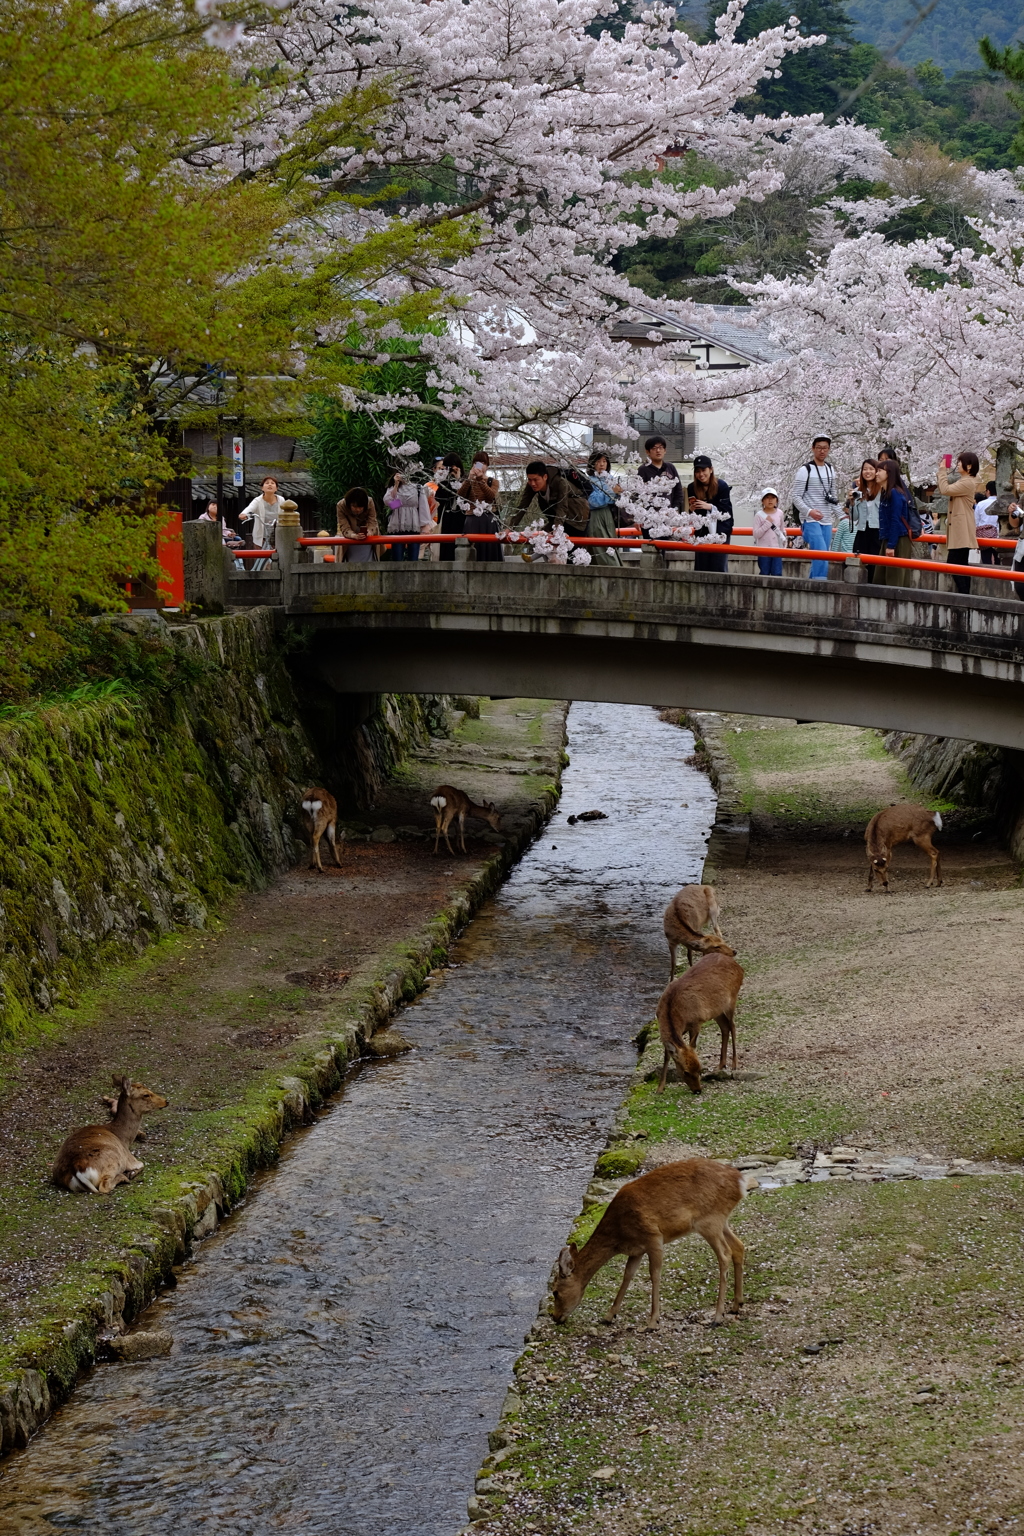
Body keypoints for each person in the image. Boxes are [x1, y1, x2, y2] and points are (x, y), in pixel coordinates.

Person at [791, 435, 838, 580]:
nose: (822, 451)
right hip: (810, 519)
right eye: (819, 448)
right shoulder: (805, 470)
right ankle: (820, 584)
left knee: (822, 555)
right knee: (821, 552)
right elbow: (796, 496)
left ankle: (812, 584)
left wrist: (842, 514)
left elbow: (834, 496)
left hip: (827, 519)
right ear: (813, 449)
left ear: (829, 449)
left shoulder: (831, 469)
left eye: (825, 448)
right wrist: (809, 511)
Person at [937, 452, 981, 595]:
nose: (956, 464)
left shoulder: (967, 482)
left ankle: (965, 595)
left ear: (968, 466)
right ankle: (965, 595)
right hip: (961, 528)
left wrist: (942, 471)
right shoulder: (966, 480)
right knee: (960, 565)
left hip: (962, 529)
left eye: (959, 462)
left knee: (955, 564)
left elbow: (945, 490)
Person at [513, 461, 590, 534]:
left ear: (545, 477)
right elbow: (522, 506)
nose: (533, 483)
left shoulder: (560, 482)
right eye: (529, 479)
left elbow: (562, 507)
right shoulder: (531, 485)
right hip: (558, 517)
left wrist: (557, 529)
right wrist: (509, 527)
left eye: (536, 480)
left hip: (577, 516)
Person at [686, 454, 732, 573]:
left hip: (720, 532)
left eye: (704, 470)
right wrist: (691, 510)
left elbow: (727, 513)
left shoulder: (722, 486)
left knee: (718, 569)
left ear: (711, 470)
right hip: (702, 533)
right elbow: (694, 516)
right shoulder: (692, 488)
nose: (701, 474)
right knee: (701, 570)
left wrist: (711, 507)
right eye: (698, 471)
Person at [877, 459, 918, 587]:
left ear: (888, 473)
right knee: (882, 577)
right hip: (889, 538)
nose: (876, 474)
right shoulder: (885, 492)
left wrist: (891, 545)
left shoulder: (895, 492)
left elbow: (896, 519)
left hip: (897, 539)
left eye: (879, 471)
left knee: (894, 580)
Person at [584, 450, 622, 566]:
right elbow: (593, 501)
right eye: (598, 461)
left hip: (609, 514)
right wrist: (611, 492)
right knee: (602, 547)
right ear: (592, 463)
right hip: (596, 516)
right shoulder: (588, 480)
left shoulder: (611, 479)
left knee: (610, 544)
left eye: (604, 461)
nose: (602, 464)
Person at [385, 472, 432, 560]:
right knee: (397, 559)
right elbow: (388, 502)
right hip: (397, 526)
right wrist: (396, 485)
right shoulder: (393, 488)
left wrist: (425, 526)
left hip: (413, 525)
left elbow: (423, 507)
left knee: (413, 559)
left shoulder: (418, 488)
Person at [850, 459, 882, 581]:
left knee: (875, 565)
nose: (867, 472)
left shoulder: (882, 490)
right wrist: (852, 503)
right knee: (858, 562)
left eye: (871, 469)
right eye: (865, 469)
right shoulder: (858, 491)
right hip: (862, 530)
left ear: (876, 471)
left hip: (877, 531)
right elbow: (854, 518)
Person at [637, 435, 683, 513]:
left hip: (669, 515)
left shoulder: (670, 467)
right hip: (650, 516)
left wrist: (675, 509)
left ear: (665, 450)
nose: (658, 451)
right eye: (654, 448)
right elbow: (638, 495)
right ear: (648, 452)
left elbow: (678, 491)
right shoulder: (643, 470)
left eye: (661, 447)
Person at [435, 454, 466, 562]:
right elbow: (439, 497)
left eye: (450, 466)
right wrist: (446, 481)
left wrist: (458, 480)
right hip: (448, 515)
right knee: (446, 544)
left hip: (461, 516)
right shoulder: (444, 481)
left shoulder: (466, 480)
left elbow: (466, 498)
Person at [335, 488, 379, 562]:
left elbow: (372, 520)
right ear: (349, 504)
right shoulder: (341, 505)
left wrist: (370, 531)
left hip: (368, 536)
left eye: (360, 507)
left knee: (370, 560)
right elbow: (344, 526)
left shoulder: (370, 502)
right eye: (354, 507)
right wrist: (353, 536)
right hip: (350, 536)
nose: (358, 509)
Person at [240, 476, 283, 548]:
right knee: (259, 554)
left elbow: (285, 512)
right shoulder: (258, 500)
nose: (270, 485)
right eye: (267, 483)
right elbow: (250, 508)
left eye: (272, 483)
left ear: (276, 488)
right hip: (261, 533)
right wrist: (244, 514)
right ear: (262, 488)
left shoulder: (281, 500)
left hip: (277, 532)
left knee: (278, 554)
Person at [752, 488, 786, 575]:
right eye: (767, 497)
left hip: (777, 549)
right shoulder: (759, 515)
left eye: (773, 497)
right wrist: (767, 524)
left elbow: (782, 529)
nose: (770, 500)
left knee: (777, 573)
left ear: (776, 500)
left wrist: (784, 538)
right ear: (762, 501)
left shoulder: (780, 513)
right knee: (764, 573)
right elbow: (756, 534)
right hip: (763, 550)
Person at [974, 480, 999, 565]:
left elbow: (976, 522)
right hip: (998, 535)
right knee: (998, 561)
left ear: (988, 491)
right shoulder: (1002, 503)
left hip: (984, 536)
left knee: (985, 562)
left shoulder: (981, 504)